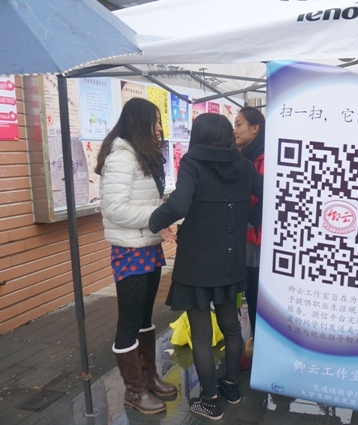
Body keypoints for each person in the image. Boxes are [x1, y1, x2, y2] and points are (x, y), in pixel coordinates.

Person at [149, 113, 262, 421]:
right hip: (231, 259)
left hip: (197, 262)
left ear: (198, 136)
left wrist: (155, 221)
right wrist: (249, 219)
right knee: (231, 326)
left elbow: (179, 204)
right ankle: (231, 389)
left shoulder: (192, 162)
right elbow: (267, 192)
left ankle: (210, 400)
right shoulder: (244, 165)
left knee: (200, 333)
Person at [95, 97, 177, 414]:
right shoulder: (121, 157)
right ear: (139, 123)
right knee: (128, 323)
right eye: (155, 122)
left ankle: (149, 377)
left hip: (148, 247)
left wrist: (162, 219)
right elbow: (115, 210)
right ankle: (134, 390)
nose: (159, 128)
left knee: (144, 318)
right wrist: (158, 217)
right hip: (130, 251)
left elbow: (146, 204)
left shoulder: (141, 156)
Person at [233, 106, 265, 370]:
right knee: (252, 291)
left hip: (260, 237)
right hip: (250, 234)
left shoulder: (263, 158)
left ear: (255, 128)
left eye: (239, 124)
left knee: (256, 292)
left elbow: (261, 198)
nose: (235, 130)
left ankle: (260, 350)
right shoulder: (247, 155)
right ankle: (256, 344)